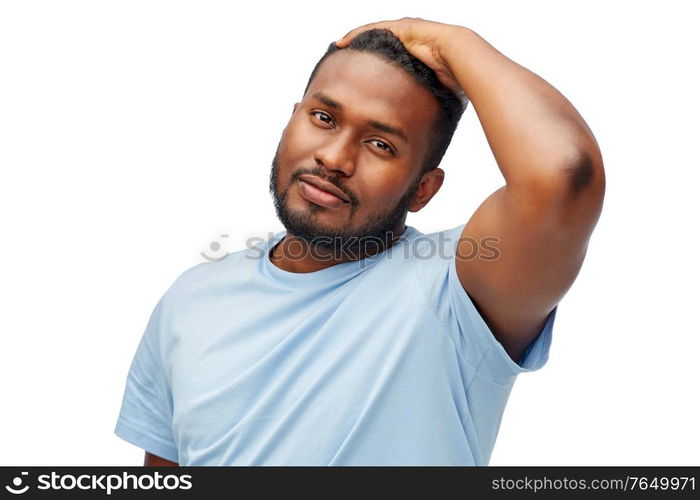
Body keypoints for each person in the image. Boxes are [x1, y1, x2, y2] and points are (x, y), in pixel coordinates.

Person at [114, 17, 605, 466]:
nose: (334, 157)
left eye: (380, 145)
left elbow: (563, 174)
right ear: (291, 119)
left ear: (422, 190)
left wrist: (454, 43)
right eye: (324, 118)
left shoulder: (457, 295)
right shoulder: (190, 299)